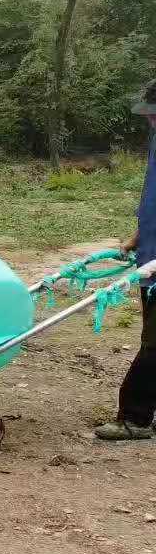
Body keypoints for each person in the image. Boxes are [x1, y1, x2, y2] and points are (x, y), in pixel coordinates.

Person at [97, 79, 156, 440]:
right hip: (151, 257)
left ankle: (135, 419)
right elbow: (152, 195)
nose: (150, 120)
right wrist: (138, 236)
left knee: (154, 345)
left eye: (154, 114)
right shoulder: (155, 140)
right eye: (148, 114)